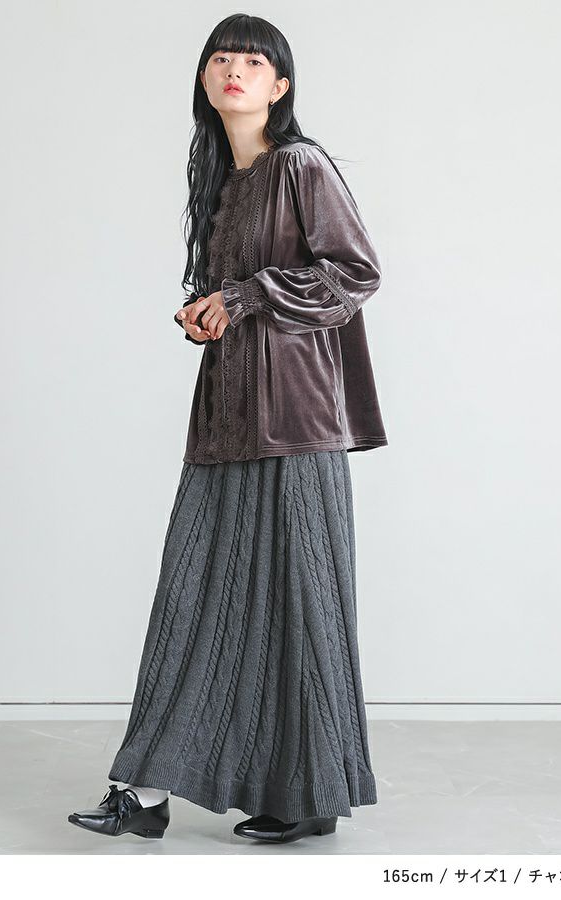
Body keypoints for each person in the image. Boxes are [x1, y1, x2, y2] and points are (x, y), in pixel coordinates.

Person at [68, 12, 387, 845]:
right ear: (205, 80)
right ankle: (144, 793)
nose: (233, 69)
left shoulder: (300, 165)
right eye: (220, 58)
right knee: (192, 592)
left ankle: (309, 794)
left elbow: (355, 272)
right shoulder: (223, 182)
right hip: (226, 414)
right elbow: (248, 294)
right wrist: (208, 310)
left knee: (301, 602)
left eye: (252, 60)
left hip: (296, 421)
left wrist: (244, 296)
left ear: (280, 85)